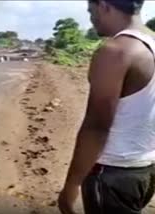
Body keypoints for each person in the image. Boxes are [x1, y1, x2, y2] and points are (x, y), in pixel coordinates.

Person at [58, 0, 155, 213]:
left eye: (91, 11)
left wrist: (71, 186)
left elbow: (96, 127)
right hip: (145, 168)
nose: (91, 18)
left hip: (112, 173)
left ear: (104, 6)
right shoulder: (151, 43)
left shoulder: (114, 52)